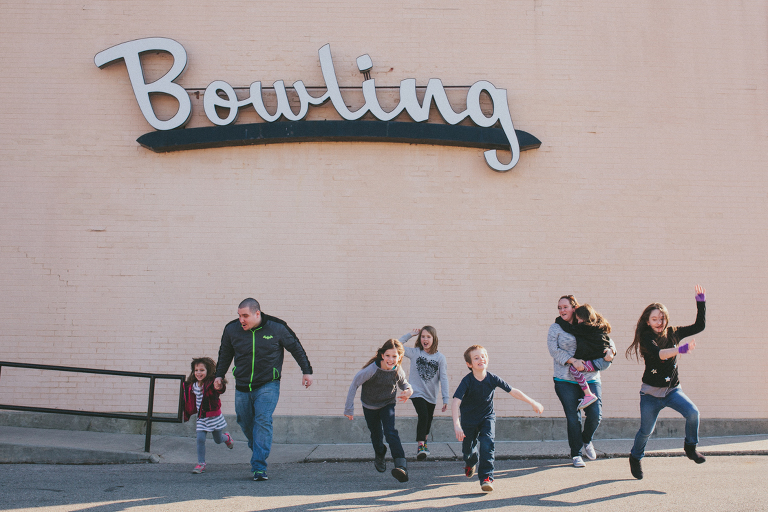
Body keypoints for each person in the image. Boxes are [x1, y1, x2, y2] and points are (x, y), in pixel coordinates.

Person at [214, 298, 313, 482]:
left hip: (268, 383)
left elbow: (296, 348)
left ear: (257, 313)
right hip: (243, 385)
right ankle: (258, 447)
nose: (241, 320)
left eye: (245, 316)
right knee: (244, 421)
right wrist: (218, 375)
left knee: (262, 419)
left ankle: (259, 466)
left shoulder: (277, 327)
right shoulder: (231, 329)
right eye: (239, 316)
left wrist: (307, 371)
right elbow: (225, 353)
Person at [626, 285, 707, 480]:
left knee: (693, 413)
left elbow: (699, 326)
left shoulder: (673, 333)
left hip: (672, 391)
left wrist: (701, 303)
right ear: (648, 321)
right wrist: (680, 350)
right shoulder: (646, 337)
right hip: (650, 394)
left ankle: (690, 447)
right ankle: (635, 457)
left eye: (661, 318)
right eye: (654, 319)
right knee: (646, 431)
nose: (659, 322)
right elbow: (660, 355)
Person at [452, 345, 544, 492]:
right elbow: (456, 401)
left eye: (483, 356)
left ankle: (487, 478)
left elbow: (513, 391)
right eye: (476, 358)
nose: (481, 359)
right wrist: (457, 425)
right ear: (469, 364)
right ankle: (470, 462)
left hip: (487, 417)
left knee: (488, 444)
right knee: (468, 451)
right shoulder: (467, 381)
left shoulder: (492, 378)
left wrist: (532, 402)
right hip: (468, 421)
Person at [548, 295, 616, 468]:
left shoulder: (587, 322)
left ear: (574, 307)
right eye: (559, 307)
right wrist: (573, 361)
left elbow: (606, 338)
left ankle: (586, 440)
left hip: (590, 377)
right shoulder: (556, 328)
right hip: (565, 379)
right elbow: (554, 351)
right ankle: (576, 453)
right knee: (573, 417)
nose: (562, 310)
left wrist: (611, 351)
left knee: (595, 414)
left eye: (565, 307)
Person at [344, 338, 413, 482]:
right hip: (369, 405)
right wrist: (349, 408)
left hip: (387, 404)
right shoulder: (371, 370)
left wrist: (409, 390)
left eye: (394, 356)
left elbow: (404, 384)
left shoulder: (397, 370)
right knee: (376, 435)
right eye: (388, 355)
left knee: (390, 432)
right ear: (382, 355)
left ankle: (401, 466)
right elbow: (354, 384)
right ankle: (380, 453)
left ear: (399, 357)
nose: (390, 359)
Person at [398, 326, 450, 460]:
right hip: (416, 392)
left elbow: (443, 378)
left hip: (431, 395)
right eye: (423, 336)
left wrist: (445, 398)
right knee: (423, 415)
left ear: (434, 339)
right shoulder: (415, 353)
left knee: (428, 419)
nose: (425, 339)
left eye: (428, 337)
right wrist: (410, 334)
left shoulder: (440, 358)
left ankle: (424, 444)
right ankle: (421, 445)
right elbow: (396, 345)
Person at [555, 304, 614, 410]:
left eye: (579, 319)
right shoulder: (599, 326)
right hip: (603, 360)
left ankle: (588, 395)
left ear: (584, 317)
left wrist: (559, 319)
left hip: (600, 361)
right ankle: (588, 394)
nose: (578, 322)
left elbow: (570, 328)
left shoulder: (585, 327)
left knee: (574, 368)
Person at [182, 356, 233, 474]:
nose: (198, 373)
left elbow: (220, 389)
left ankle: (227, 438)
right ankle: (201, 464)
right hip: (202, 417)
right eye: (196, 370)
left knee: (218, 439)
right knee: (200, 439)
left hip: (214, 416)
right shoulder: (193, 385)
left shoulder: (211, 383)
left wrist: (219, 386)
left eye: (202, 370)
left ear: (208, 371)